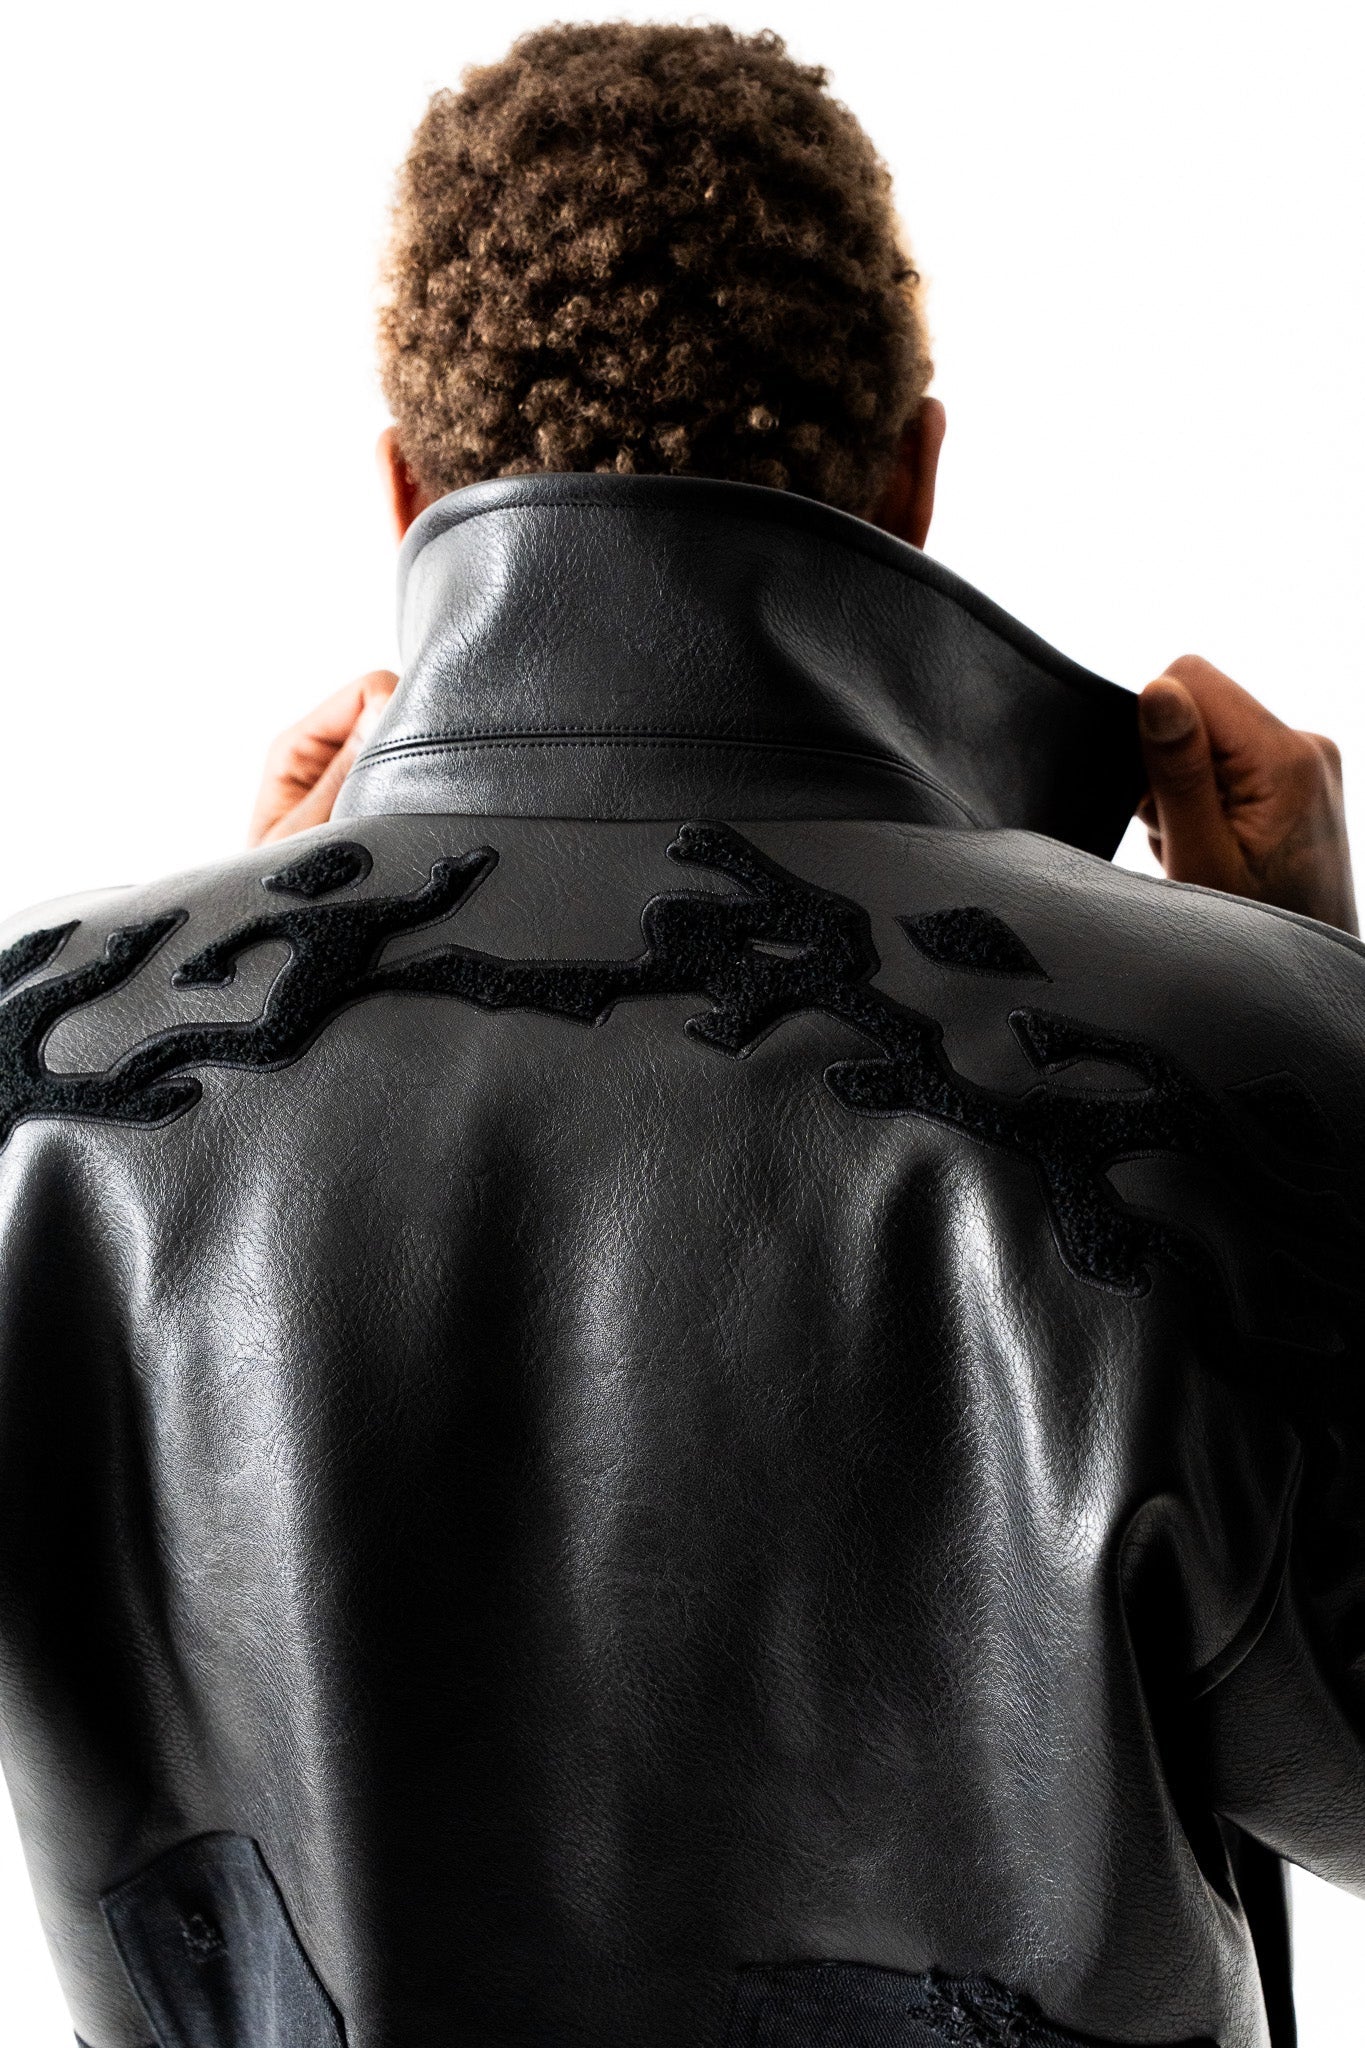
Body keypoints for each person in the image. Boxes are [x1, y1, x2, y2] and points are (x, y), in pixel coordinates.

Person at [0, 22, 1359, 2048]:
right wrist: (1307, 995)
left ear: (404, 492)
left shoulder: (44, 1080)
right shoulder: (1234, 1058)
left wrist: (240, 979)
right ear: (913, 477)